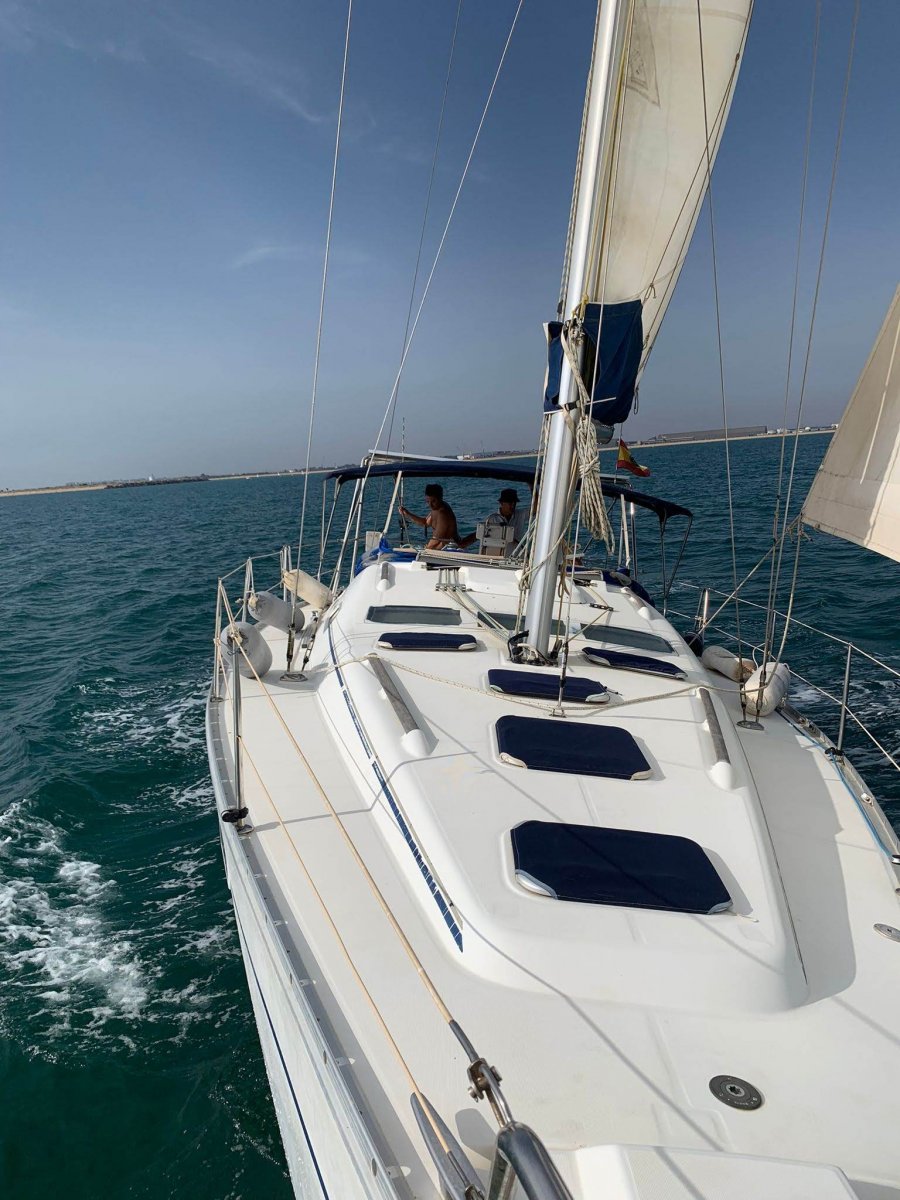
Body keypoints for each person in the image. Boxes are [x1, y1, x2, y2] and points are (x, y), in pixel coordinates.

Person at [399, 483, 462, 549]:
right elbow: (425, 522)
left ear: (441, 498)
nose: (430, 505)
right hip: (441, 547)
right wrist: (407, 514)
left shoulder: (443, 514)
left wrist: (425, 549)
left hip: (450, 548)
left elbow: (436, 540)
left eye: (433, 501)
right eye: (428, 501)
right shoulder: (436, 508)